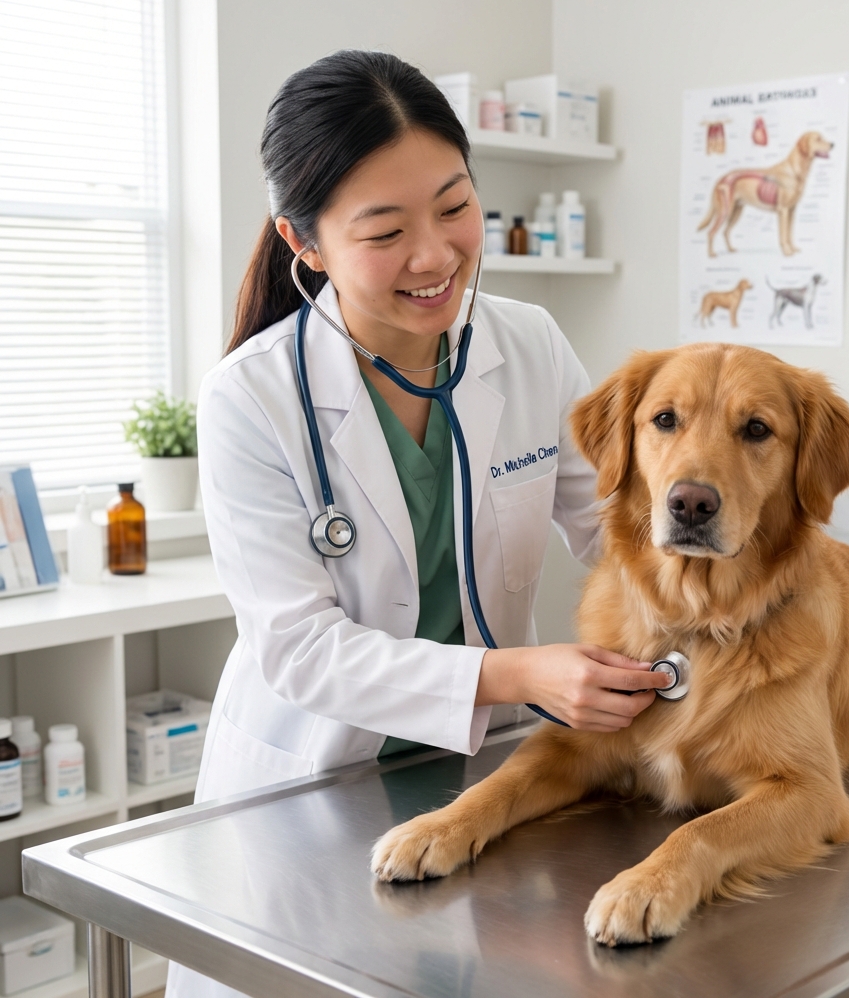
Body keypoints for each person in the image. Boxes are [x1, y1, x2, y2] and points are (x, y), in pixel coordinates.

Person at [165, 50, 668, 998]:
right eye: (386, 230)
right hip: (318, 788)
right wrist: (520, 673)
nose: (436, 253)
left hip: (484, 776)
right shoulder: (251, 398)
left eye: (454, 206)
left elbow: (616, 532)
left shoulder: (528, 343)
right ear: (304, 242)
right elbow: (301, 648)